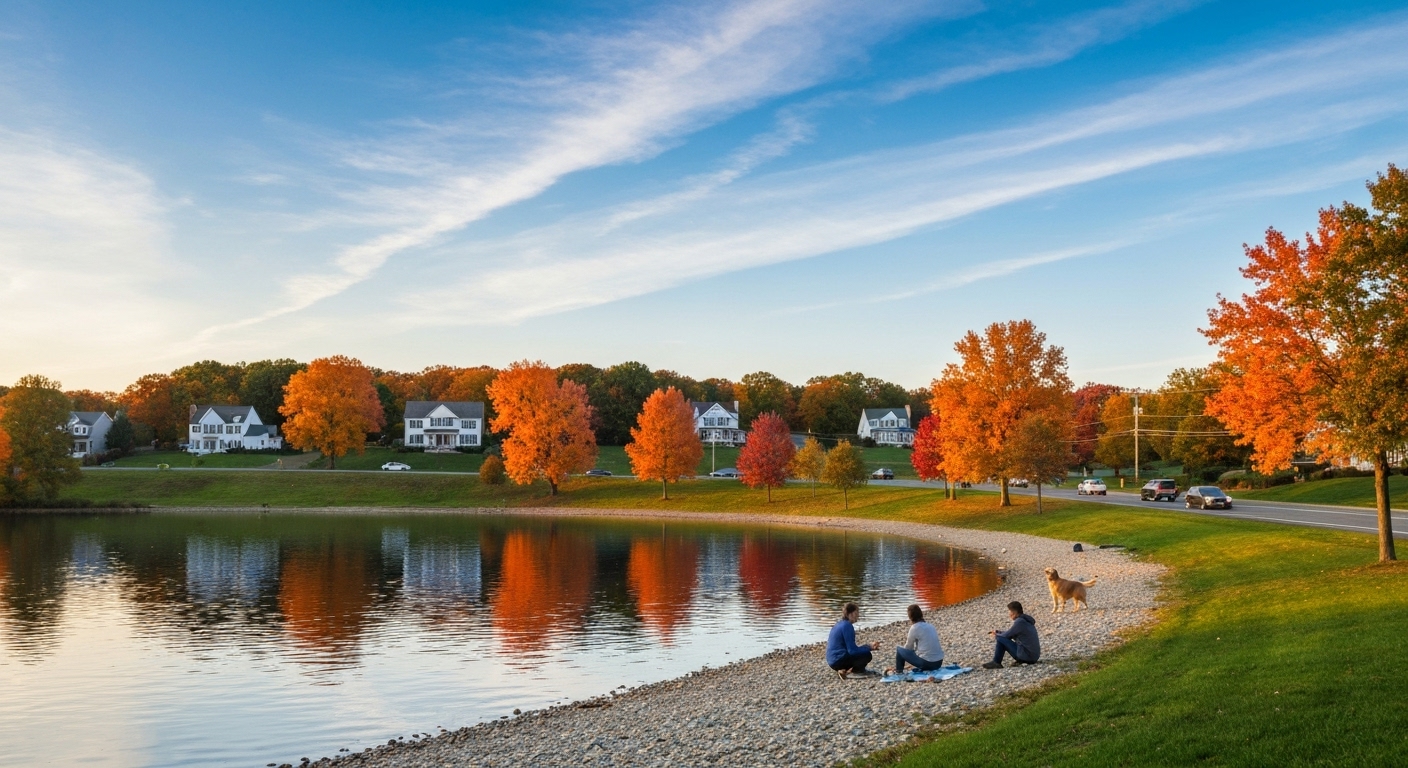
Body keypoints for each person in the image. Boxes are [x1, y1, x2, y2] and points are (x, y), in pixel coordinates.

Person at [826, 602, 880, 678]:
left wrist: (867, 646)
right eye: (856, 613)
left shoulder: (839, 624)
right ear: (850, 614)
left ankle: (845, 670)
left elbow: (850, 649)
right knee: (867, 655)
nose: (858, 615)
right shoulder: (847, 626)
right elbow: (852, 650)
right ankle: (857, 671)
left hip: (832, 660)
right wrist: (869, 647)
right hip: (838, 660)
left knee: (863, 651)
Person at [887, 604, 944, 674]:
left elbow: (908, 648)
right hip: (938, 663)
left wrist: (905, 654)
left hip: (927, 663)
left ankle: (899, 672)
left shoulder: (914, 628)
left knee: (899, 650)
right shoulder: (931, 626)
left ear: (910, 617)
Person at [983, 601, 1040, 669]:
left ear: (1014, 613)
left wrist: (997, 634)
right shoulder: (1025, 620)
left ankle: (996, 662)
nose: (1009, 614)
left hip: (1028, 657)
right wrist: (998, 632)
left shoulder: (1020, 622)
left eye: (1009, 611)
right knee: (1001, 637)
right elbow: (1011, 633)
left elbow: (1007, 635)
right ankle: (996, 662)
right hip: (1033, 656)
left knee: (999, 638)